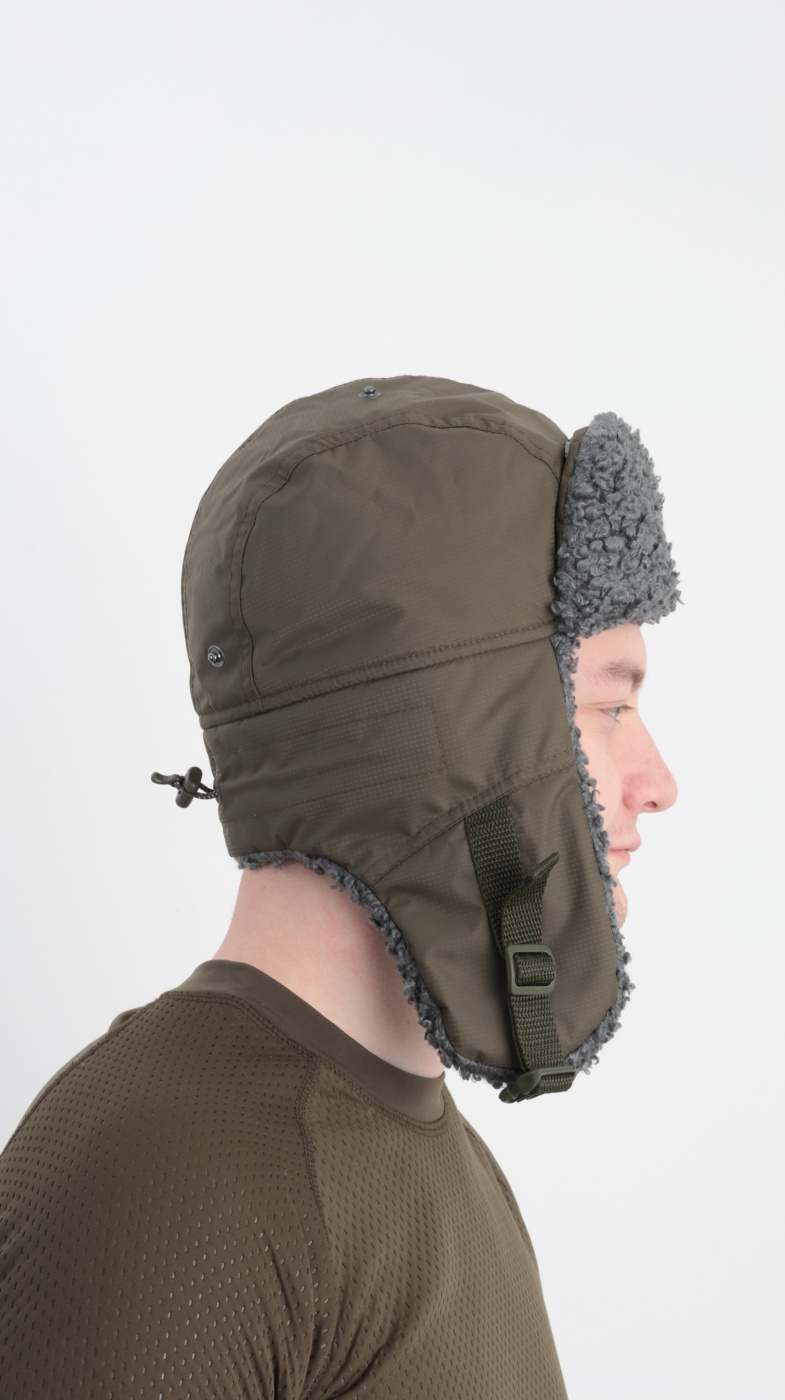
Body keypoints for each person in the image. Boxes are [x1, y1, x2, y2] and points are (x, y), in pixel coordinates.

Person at [0, 376, 679, 1398]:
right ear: (463, 737)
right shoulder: (172, 1175)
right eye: (608, 707)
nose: (657, 782)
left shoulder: (418, 1154)